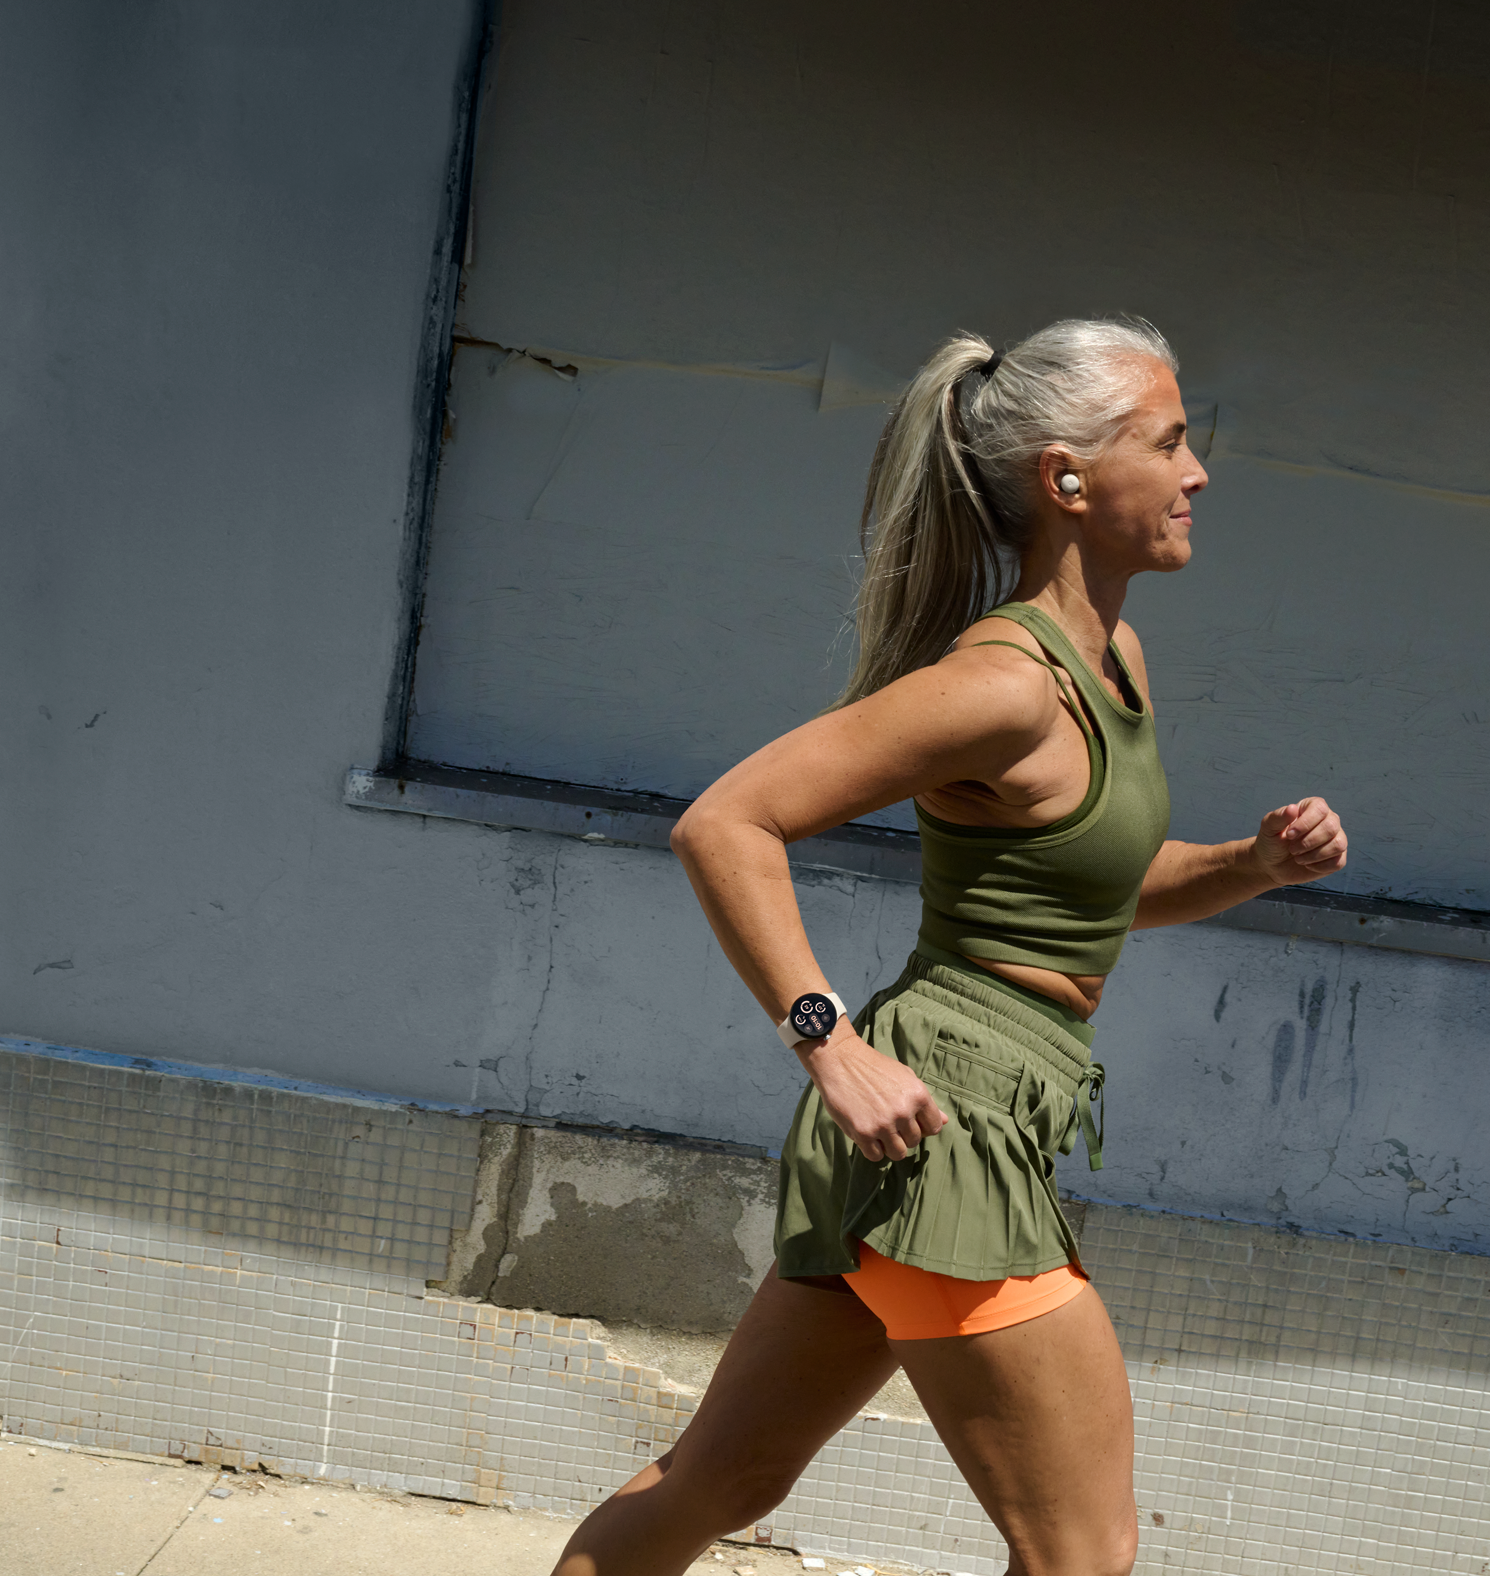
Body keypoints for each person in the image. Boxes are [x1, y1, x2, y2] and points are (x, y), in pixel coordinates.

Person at [549, 317, 1350, 1576]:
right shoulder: (1006, 682)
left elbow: (1093, 889)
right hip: (944, 1120)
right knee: (1083, 1552)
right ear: (1068, 479)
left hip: (988, 1106)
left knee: (727, 1476)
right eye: (1173, 441)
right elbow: (727, 822)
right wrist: (831, 1046)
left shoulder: (1114, 661)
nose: (1199, 474)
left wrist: (1251, 865)